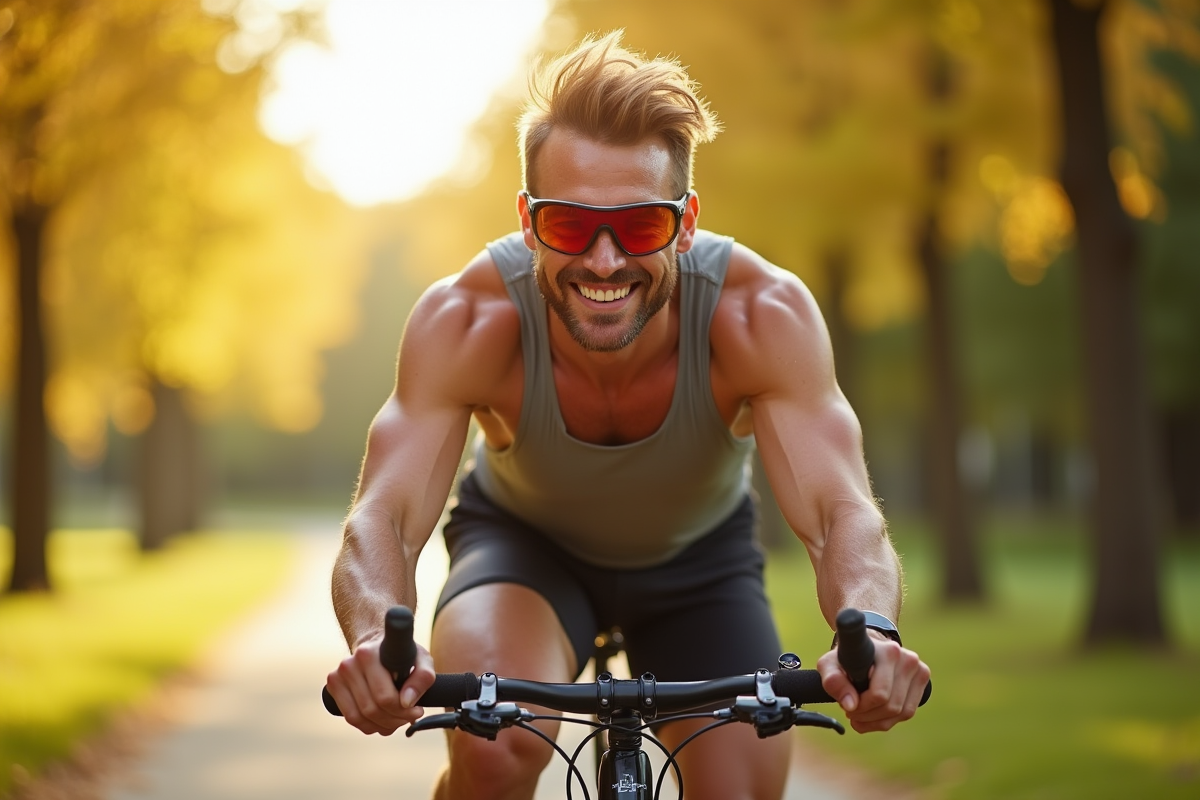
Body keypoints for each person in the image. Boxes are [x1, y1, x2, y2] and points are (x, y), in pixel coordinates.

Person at [324, 30, 930, 800]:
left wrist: (871, 630)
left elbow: (841, 511)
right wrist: (376, 637)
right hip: (524, 551)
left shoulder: (761, 314)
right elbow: (384, 516)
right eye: (569, 226)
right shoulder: (467, 318)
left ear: (685, 221)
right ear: (527, 221)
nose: (604, 260)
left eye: (640, 225)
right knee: (493, 748)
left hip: (699, 563)